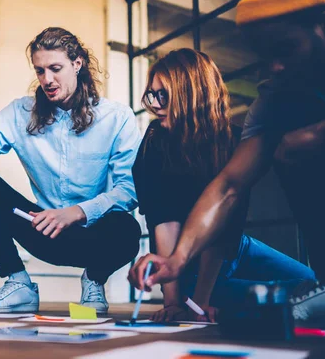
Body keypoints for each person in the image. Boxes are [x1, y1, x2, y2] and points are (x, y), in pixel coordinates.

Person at [129, 0, 325, 326]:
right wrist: (175, 265)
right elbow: (227, 188)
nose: (275, 67)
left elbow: (229, 226)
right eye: (263, 55)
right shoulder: (272, 101)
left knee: (299, 144)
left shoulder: (228, 134)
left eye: (285, 48)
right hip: (208, 253)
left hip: (232, 248)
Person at [0, 27, 142, 313]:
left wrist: (77, 212)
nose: (47, 80)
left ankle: (94, 280)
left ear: (77, 63)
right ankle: (18, 282)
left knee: (128, 228)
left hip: (95, 236)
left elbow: (128, 191)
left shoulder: (117, 118)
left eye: (55, 69)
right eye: (40, 71)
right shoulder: (21, 113)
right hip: (43, 232)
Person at [132, 48, 315, 322]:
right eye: (152, 94)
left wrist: (200, 304)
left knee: (313, 286)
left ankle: (213, 296)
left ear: (190, 94)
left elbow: (226, 225)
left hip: (233, 247)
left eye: (163, 95)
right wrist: (173, 302)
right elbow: (163, 222)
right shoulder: (154, 143)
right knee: (281, 300)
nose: (155, 104)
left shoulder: (234, 140)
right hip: (189, 266)